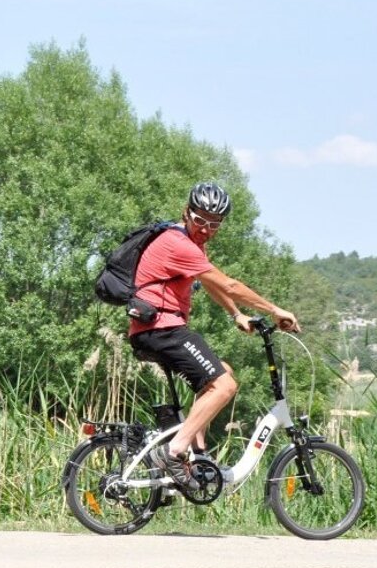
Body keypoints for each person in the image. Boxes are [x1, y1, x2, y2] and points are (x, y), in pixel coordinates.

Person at [127, 182, 300, 487]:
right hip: (161, 329)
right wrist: (275, 310)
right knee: (224, 385)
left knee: (223, 374)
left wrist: (236, 314)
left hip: (158, 329)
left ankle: (197, 454)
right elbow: (229, 284)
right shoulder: (177, 243)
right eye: (201, 220)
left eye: (215, 223)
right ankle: (174, 451)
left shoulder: (193, 245)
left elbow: (210, 284)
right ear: (186, 212)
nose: (206, 229)